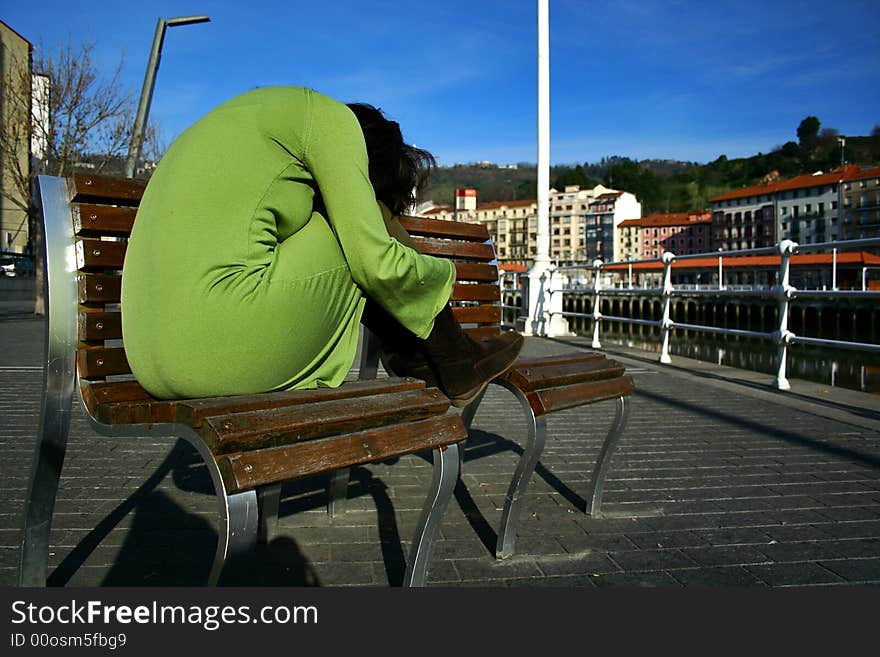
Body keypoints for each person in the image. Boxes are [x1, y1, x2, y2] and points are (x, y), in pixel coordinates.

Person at [121, 86, 522, 407]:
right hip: (211, 354)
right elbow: (374, 258)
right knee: (357, 237)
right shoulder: (331, 121)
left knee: (349, 233)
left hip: (147, 362)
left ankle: (424, 357)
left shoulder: (250, 118)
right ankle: (455, 360)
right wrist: (437, 278)